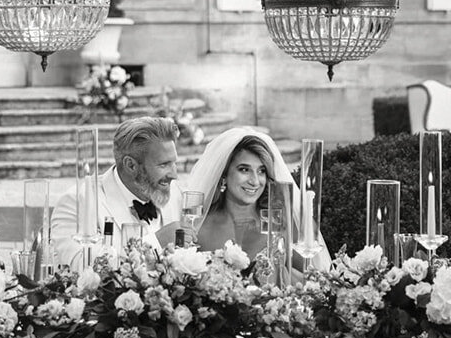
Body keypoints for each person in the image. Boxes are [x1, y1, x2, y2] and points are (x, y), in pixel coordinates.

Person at [182, 125, 331, 273]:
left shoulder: (280, 223)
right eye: (244, 170)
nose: (255, 181)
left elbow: (308, 279)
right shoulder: (200, 228)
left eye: (261, 171)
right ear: (224, 174)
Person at [49, 113, 181, 268]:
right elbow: (81, 267)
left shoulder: (174, 194)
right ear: (131, 165)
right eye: (164, 165)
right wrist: (156, 241)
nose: (174, 175)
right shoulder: (78, 202)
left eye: (174, 163)